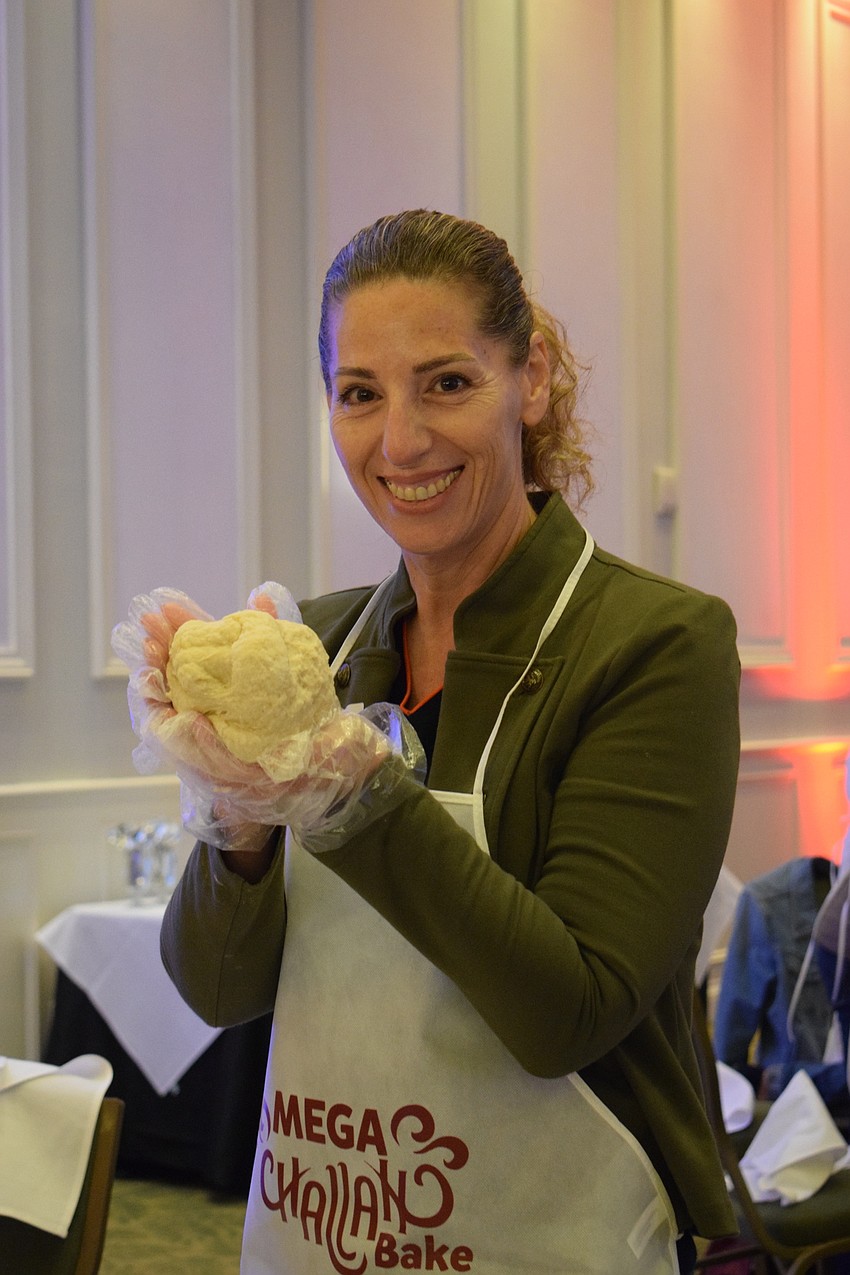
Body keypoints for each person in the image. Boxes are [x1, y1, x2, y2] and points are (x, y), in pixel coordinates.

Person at [157, 210, 741, 1273]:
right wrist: (233, 820)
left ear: (534, 378)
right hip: (326, 1229)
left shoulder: (654, 645)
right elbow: (218, 992)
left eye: (447, 383)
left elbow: (568, 1013)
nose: (402, 442)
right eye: (360, 394)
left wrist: (349, 798)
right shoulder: (319, 646)